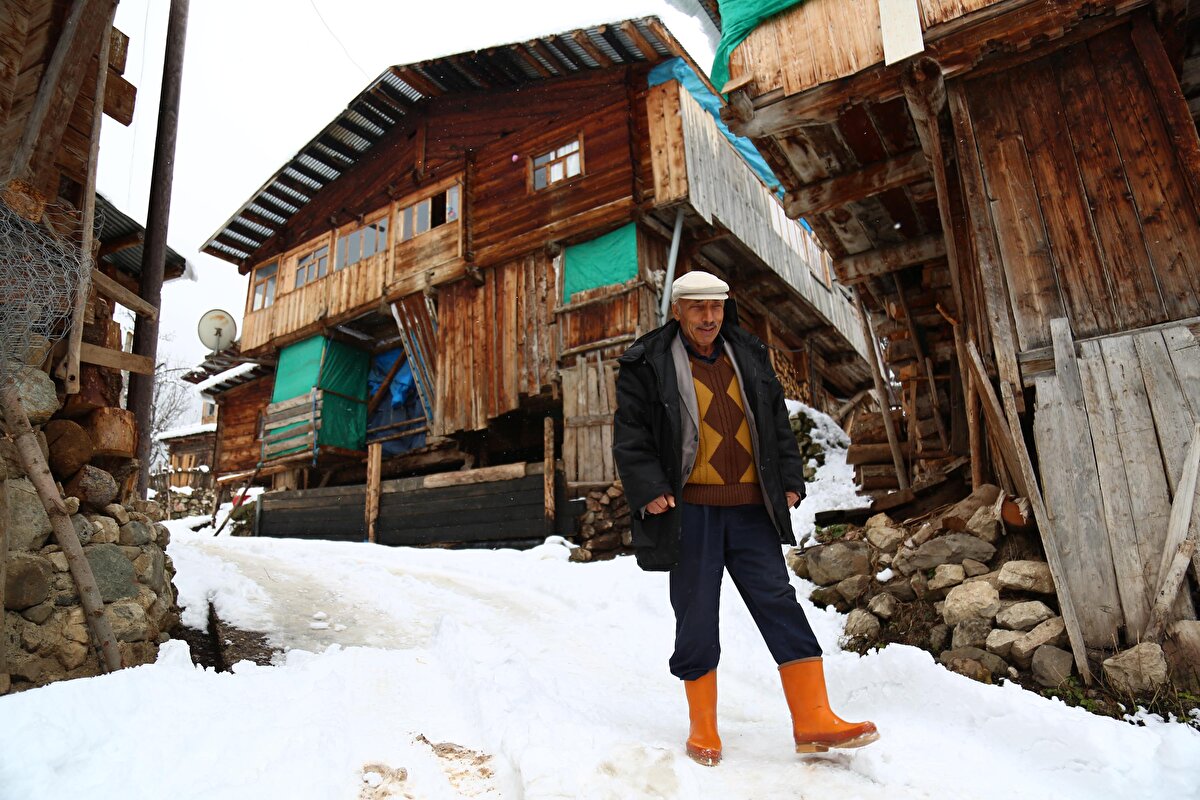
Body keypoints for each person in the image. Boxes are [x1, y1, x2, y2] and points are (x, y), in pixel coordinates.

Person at [612, 270, 878, 766]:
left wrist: (789, 479)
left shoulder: (749, 354)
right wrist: (649, 490)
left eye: (715, 307)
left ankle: (813, 719)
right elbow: (632, 435)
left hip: (751, 508)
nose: (709, 317)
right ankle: (704, 727)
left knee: (779, 601)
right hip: (691, 510)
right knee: (696, 610)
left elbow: (775, 419)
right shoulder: (647, 362)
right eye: (698, 308)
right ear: (678, 311)